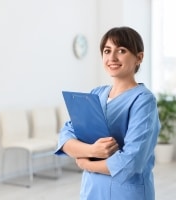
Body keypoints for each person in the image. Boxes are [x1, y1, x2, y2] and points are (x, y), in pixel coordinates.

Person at [55, 26, 160, 200]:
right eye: (107, 50)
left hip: (125, 193)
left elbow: (130, 161)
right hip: (92, 191)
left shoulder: (143, 100)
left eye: (121, 50)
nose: (112, 57)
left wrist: (86, 163)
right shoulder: (96, 94)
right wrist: (93, 150)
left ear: (139, 57)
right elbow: (65, 137)